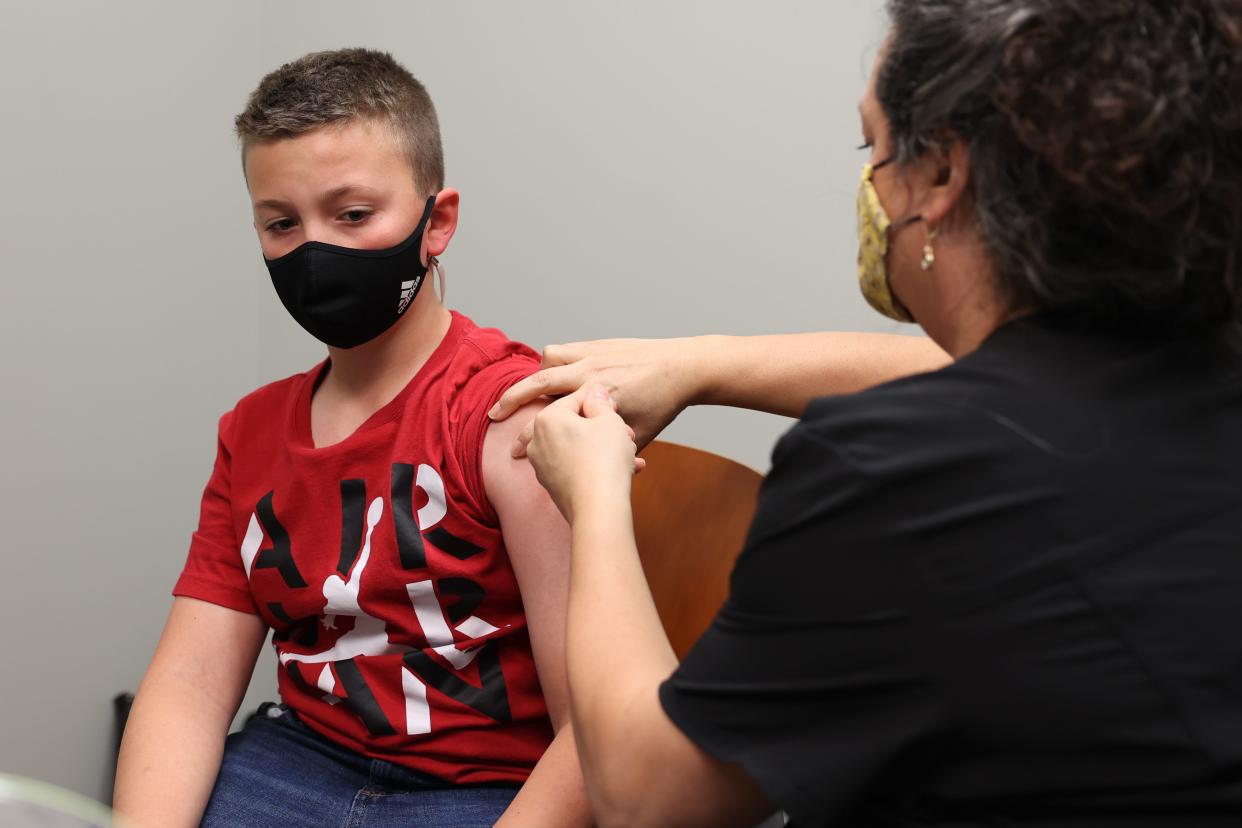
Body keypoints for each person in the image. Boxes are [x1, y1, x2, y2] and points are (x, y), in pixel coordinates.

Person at [502, 2, 1242, 826]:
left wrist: (597, 496)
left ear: (940, 177)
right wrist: (703, 364)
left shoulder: (901, 471)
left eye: (875, 147)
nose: (868, 185)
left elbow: (649, 795)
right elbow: (1001, 377)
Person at [112, 48, 597, 828]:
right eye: (280, 223)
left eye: (353, 215)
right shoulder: (252, 432)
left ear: (436, 222)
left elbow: (594, 732)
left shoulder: (511, 413)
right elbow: (192, 686)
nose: (314, 250)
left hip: (490, 789)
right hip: (302, 759)